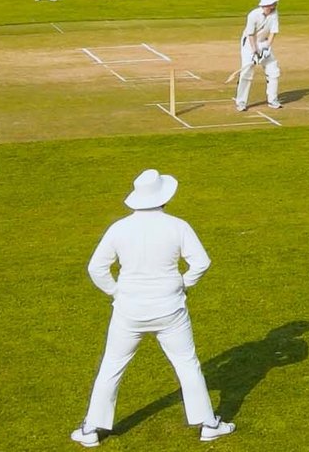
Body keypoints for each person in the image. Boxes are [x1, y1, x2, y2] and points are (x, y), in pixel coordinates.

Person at [70, 169, 234, 447]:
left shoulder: (119, 228)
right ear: (164, 198)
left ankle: (91, 430)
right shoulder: (178, 226)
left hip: (128, 311)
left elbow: (96, 268)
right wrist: (183, 283)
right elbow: (201, 262)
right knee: (187, 364)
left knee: (111, 366)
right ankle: (208, 424)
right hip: (170, 309)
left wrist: (116, 290)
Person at [235, 0, 282, 112]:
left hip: (264, 43)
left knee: (273, 70)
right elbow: (250, 35)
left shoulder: (274, 14)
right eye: (273, 4)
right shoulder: (253, 15)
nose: (275, 6)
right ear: (266, 5)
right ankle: (241, 102)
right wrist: (255, 51)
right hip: (249, 44)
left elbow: (273, 32)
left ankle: (272, 100)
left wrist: (266, 48)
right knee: (246, 73)